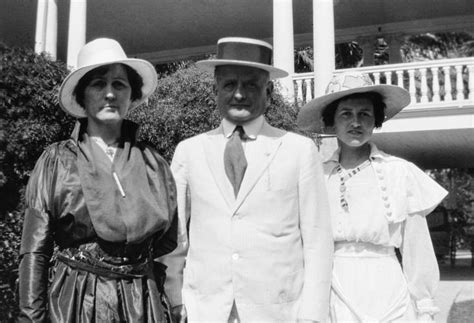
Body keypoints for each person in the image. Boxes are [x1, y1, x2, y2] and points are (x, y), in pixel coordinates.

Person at [160, 37, 333, 322]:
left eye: (251, 84)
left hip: (278, 311)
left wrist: (312, 314)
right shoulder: (189, 151)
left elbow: (317, 241)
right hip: (205, 309)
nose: (239, 94)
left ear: (269, 90)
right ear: (215, 89)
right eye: (229, 84)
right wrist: (176, 298)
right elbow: (174, 238)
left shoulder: (298, 151)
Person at [18, 38, 178, 322]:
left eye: (119, 84)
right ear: (82, 95)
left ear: (131, 94)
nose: (109, 94)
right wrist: (31, 317)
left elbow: (168, 249)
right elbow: (35, 251)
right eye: (98, 84)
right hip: (76, 302)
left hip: (142, 303)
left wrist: (170, 306)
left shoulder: (154, 163)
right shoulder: (57, 161)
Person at [297, 71, 448, 322]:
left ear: (376, 119)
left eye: (365, 114)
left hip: (388, 290)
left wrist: (424, 306)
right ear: (332, 120)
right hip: (334, 288)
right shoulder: (317, 177)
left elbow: (417, 246)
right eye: (346, 114)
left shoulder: (399, 172)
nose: (356, 122)